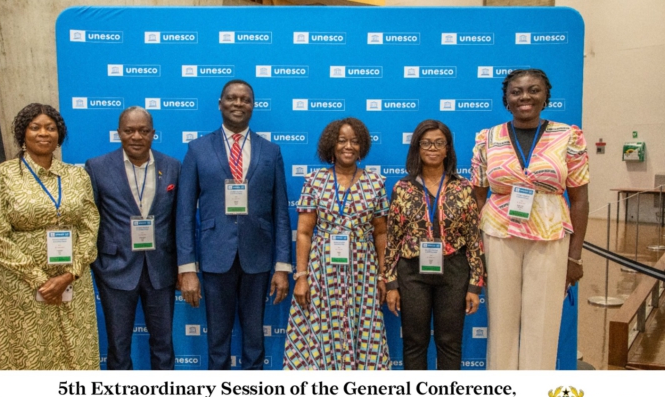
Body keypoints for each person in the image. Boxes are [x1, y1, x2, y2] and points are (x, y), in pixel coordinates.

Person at [471, 68, 589, 370]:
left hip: (550, 237)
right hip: (498, 235)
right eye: (516, 91)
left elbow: (580, 200)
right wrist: (476, 250)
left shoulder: (568, 136)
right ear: (506, 99)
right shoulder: (487, 138)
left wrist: (574, 257)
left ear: (545, 96)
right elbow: (477, 197)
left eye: (533, 90)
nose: (525, 96)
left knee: (544, 323)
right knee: (501, 323)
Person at [176, 79, 292, 370]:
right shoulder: (198, 149)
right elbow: (185, 213)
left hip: (258, 258)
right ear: (220, 104)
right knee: (217, 342)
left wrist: (282, 266)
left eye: (245, 99)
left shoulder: (271, 151)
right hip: (215, 257)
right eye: (231, 98)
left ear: (253, 106)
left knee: (255, 341)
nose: (238, 103)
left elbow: (281, 213)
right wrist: (187, 268)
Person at [0, 103, 100, 370]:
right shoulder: (0, 176)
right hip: (22, 284)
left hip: (73, 282)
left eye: (50, 128)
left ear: (59, 135)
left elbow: (90, 225)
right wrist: (40, 280)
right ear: (23, 133)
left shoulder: (76, 176)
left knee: (75, 350)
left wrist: (70, 274)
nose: (43, 133)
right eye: (35, 127)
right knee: (27, 351)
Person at [284, 117, 390, 370]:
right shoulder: (314, 181)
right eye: (342, 140)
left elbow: (381, 233)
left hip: (363, 272)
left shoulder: (376, 183)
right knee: (321, 329)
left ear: (362, 146)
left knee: (363, 329)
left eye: (354, 141)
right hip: (322, 272)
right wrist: (301, 276)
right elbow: (304, 233)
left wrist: (382, 275)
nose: (348, 146)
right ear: (331, 144)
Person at [382, 119, 484, 370]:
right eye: (426, 143)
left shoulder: (463, 187)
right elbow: (393, 239)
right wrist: (391, 282)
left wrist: (475, 285)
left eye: (439, 143)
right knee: (414, 342)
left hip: (454, 272)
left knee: (449, 342)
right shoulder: (402, 188)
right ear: (417, 148)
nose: (433, 148)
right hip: (412, 273)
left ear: (448, 149)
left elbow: (473, 239)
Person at [85, 106, 180, 370]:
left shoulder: (172, 167)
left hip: (161, 269)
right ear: (119, 133)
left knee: (163, 344)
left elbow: (180, 221)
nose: (136, 136)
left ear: (153, 133)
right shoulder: (97, 167)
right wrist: (96, 263)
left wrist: (183, 266)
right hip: (115, 269)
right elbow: (89, 219)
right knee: (118, 346)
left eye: (143, 130)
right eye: (129, 130)